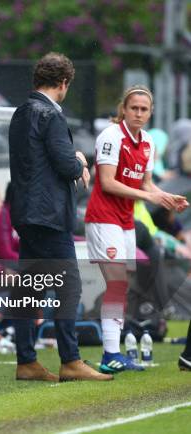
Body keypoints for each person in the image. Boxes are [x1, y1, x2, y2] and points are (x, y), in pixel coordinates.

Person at [9, 52, 111, 382]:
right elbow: (66, 165)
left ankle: (26, 361)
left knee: (28, 289)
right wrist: (80, 159)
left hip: (25, 212)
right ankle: (70, 361)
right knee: (69, 287)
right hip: (49, 215)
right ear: (63, 83)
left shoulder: (20, 112)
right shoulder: (50, 115)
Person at [84, 85, 189, 374]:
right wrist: (151, 196)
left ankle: (114, 349)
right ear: (124, 109)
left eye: (144, 109)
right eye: (134, 108)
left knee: (123, 285)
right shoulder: (111, 136)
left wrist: (166, 198)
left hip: (125, 220)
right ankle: (110, 354)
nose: (139, 113)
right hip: (103, 218)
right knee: (117, 283)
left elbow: (145, 185)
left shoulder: (147, 143)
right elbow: (106, 182)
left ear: (151, 112)